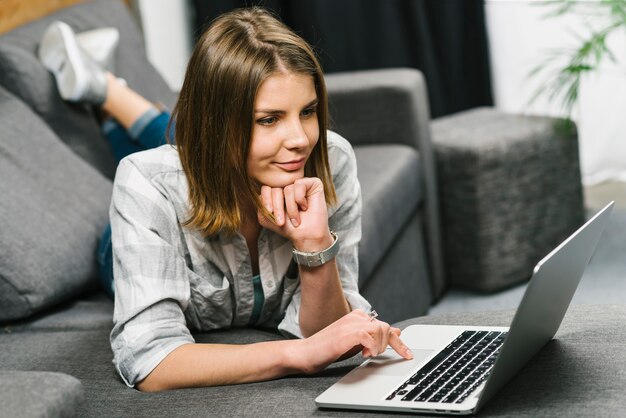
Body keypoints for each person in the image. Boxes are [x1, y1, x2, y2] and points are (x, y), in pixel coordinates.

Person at [38, 8, 413, 392]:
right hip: (121, 245)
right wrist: (296, 356)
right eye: (269, 119)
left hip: (214, 158)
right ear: (217, 126)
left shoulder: (331, 161)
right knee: (173, 160)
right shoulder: (147, 184)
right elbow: (149, 361)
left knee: (186, 149)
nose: (301, 139)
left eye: (308, 111)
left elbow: (328, 330)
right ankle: (105, 90)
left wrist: (314, 245)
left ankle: (104, 90)